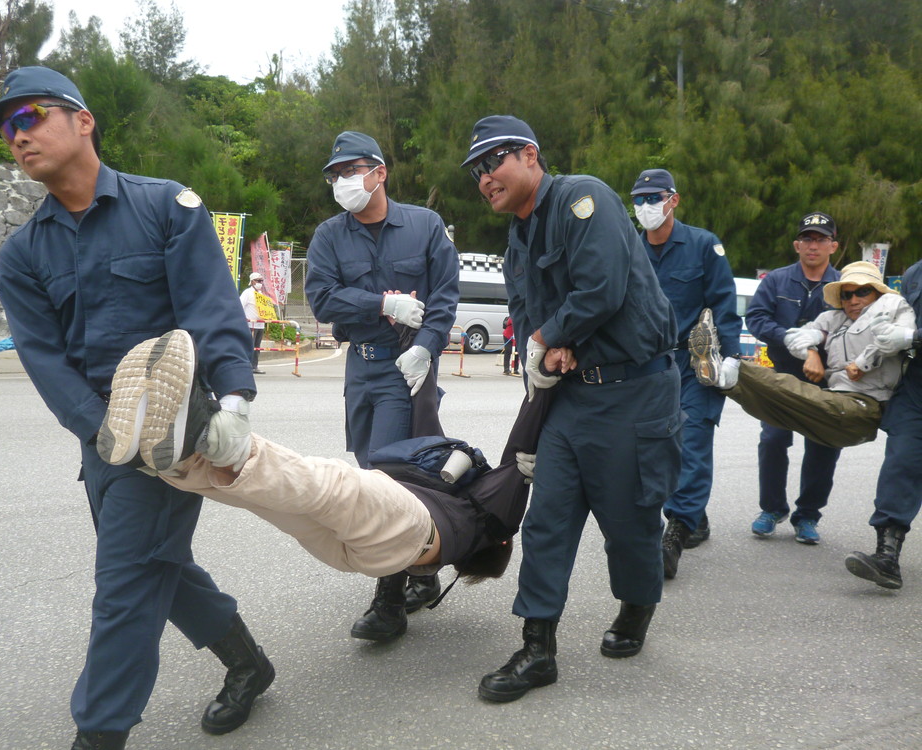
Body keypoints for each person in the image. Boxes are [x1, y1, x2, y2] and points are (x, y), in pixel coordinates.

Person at [0, 67, 272, 750]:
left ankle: (100, 733)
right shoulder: (23, 254)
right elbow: (45, 361)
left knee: (126, 584)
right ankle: (247, 663)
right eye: (5, 128)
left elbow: (210, 309)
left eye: (30, 115)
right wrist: (104, 432)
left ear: (83, 120)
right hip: (102, 441)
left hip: (175, 432)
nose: (17, 135)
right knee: (157, 564)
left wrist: (236, 398)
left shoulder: (166, 207)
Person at [461, 115, 682, 703]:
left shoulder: (584, 200)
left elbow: (601, 289)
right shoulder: (516, 241)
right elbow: (526, 318)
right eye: (476, 171)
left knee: (629, 523)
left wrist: (549, 338)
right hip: (568, 398)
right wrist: (539, 365)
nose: (484, 178)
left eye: (493, 161)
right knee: (547, 521)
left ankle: (636, 606)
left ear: (530, 155)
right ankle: (537, 648)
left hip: (633, 391)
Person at [97, 329, 546, 582]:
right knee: (266, 498)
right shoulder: (460, 519)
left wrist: (542, 386)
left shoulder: (495, 522)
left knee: (329, 482)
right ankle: (174, 463)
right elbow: (429, 428)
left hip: (409, 530)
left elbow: (517, 455)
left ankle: (208, 435)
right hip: (372, 554)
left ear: (500, 546)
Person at [305, 131, 460, 641]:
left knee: (386, 479)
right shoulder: (330, 236)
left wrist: (427, 346)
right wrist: (382, 304)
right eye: (335, 174)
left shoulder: (424, 225)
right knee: (373, 465)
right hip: (361, 369)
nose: (342, 181)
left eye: (351, 170)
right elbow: (322, 299)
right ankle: (424, 566)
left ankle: (389, 601)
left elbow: (444, 294)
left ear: (379, 172)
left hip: (406, 367)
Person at [630, 168, 741, 579]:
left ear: (673, 199)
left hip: (695, 363)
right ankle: (696, 514)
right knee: (654, 449)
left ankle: (673, 536)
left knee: (691, 442)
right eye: (638, 200)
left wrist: (733, 357)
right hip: (648, 366)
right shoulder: (629, 249)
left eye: (653, 198)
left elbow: (724, 303)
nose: (646, 207)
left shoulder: (703, 245)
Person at [688, 261, 913, 449]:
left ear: (877, 292)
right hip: (835, 400)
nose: (853, 300)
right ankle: (724, 379)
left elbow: (892, 339)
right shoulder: (834, 319)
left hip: (865, 408)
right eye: (847, 294)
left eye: (862, 292)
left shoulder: (891, 304)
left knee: (789, 387)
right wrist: (811, 351)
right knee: (773, 408)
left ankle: (729, 366)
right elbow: (797, 337)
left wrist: (862, 363)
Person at [742, 212, 842, 544]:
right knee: (773, 440)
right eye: (808, 239)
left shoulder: (844, 286)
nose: (814, 246)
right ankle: (771, 509)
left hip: (827, 380)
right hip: (782, 374)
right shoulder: (776, 280)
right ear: (797, 245)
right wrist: (791, 339)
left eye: (821, 240)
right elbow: (756, 318)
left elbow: (855, 328)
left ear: (833, 246)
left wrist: (820, 351)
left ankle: (808, 515)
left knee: (824, 446)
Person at [846, 258, 922, 589]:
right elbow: (891, 325)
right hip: (916, 388)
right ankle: (887, 556)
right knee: (901, 463)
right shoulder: (915, 273)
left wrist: (913, 337)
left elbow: (908, 334)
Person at [240, 271, 268, 374]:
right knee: (250, 346)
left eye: (261, 281)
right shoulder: (247, 293)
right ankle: (247, 366)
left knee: (257, 347)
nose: (260, 283)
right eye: (258, 280)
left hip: (260, 324)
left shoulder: (261, 294)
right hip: (250, 324)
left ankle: (254, 366)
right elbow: (240, 305)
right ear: (252, 281)